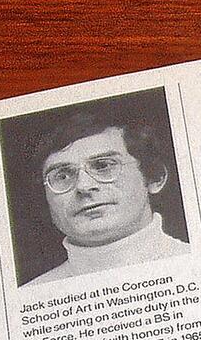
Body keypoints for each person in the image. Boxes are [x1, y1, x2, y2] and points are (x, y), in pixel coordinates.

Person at [23, 107, 190, 286]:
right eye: (62, 176)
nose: (83, 186)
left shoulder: (193, 262)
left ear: (155, 177)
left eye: (103, 166)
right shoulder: (31, 293)